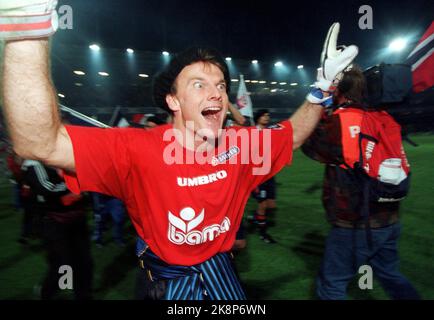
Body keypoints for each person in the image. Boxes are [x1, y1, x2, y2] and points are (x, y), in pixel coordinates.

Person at [1, 4, 358, 299]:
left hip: (223, 276)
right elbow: (38, 142)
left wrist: (321, 89)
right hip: (164, 284)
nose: (217, 93)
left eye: (220, 85)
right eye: (199, 84)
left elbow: (292, 135)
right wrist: (27, 31)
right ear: (173, 101)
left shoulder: (241, 146)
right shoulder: (135, 148)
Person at [302, 67, 420, 300]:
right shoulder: (382, 117)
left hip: (355, 223)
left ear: (338, 91)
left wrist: (319, 108)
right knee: (390, 275)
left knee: (331, 286)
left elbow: (308, 145)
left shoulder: (340, 121)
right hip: (390, 217)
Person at [21, 160, 93, 300]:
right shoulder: (33, 163)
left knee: (85, 261)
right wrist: (75, 187)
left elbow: (87, 178)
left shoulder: (64, 155)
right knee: (63, 264)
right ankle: (47, 291)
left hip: (77, 218)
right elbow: (46, 187)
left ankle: (83, 295)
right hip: (54, 222)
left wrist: (79, 190)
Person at [249, 109, 278, 243]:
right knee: (263, 205)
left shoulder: (269, 133)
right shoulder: (251, 133)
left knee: (271, 205)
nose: (267, 118)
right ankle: (263, 234)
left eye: (268, 115)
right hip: (257, 176)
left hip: (269, 174)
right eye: (264, 116)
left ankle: (256, 219)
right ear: (257, 118)